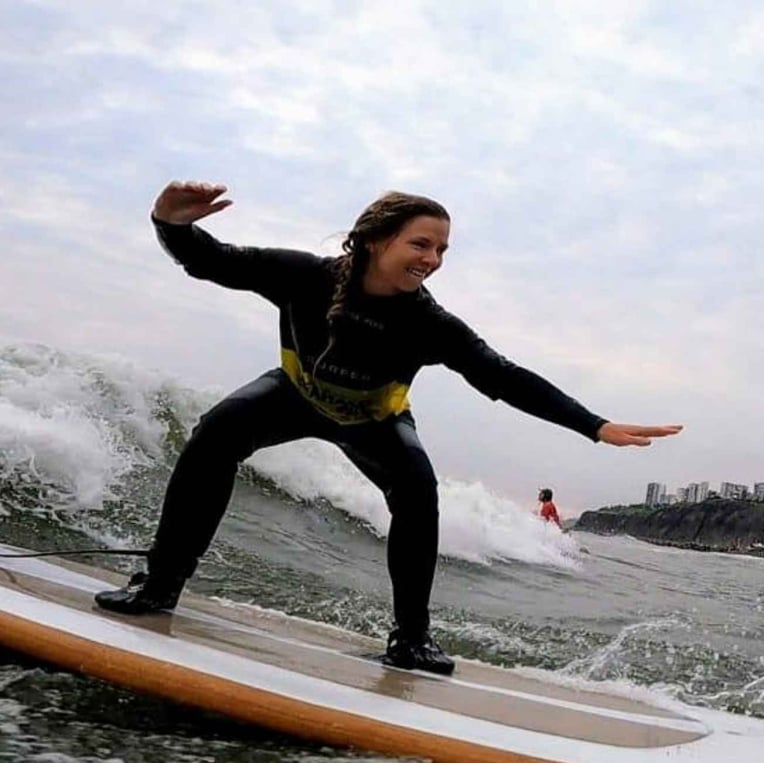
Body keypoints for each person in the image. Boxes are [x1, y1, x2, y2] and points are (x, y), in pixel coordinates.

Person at [94, 181, 681, 675]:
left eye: (443, 250)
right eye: (421, 243)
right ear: (376, 239)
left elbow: (501, 377)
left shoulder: (431, 323)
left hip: (375, 418)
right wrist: (168, 222)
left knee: (418, 494)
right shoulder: (306, 276)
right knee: (214, 435)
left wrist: (593, 425)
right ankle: (160, 585)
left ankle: (411, 639)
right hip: (293, 395)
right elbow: (212, 261)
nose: (433, 259)